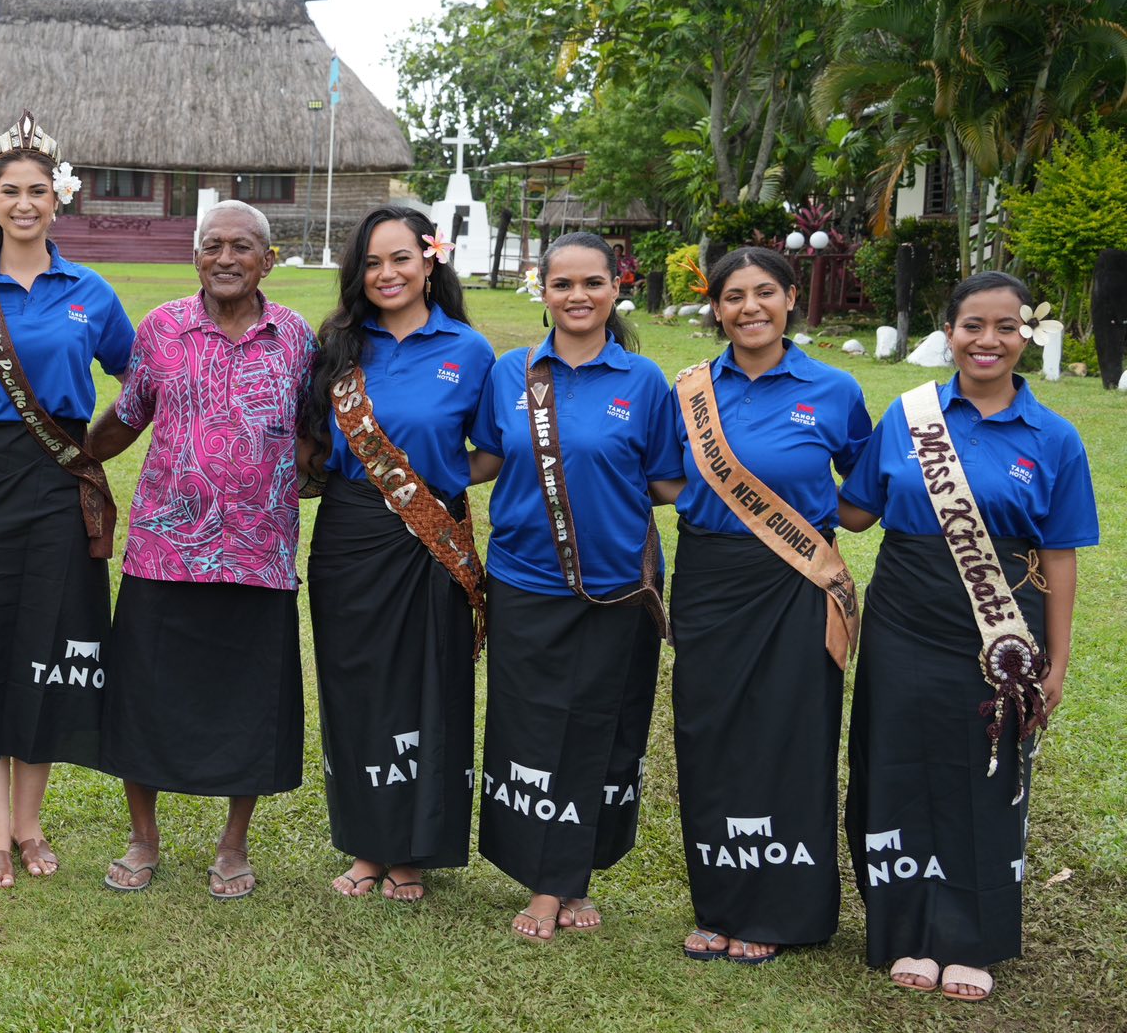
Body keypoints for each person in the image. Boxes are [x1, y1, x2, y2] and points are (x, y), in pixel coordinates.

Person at [838, 272, 1096, 1002]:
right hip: (903, 616)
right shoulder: (906, 414)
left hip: (999, 629)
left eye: (1006, 327)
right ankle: (906, 931)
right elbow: (856, 512)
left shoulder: (1053, 437)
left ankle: (968, 938)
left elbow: (1060, 554)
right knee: (895, 762)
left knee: (987, 774)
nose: (989, 341)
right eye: (972, 326)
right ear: (947, 332)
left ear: (1028, 336)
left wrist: (1058, 656)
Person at [0, 112, 136, 888]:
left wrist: (96, 448)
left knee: (47, 640)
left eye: (37, 190)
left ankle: (33, 823)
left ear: (56, 198)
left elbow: (140, 383)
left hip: (56, 483)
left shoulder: (91, 292)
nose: (24, 203)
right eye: (10, 191)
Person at [83, 201, 313, 899]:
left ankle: (233, 845)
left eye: (242, 246)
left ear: (267, 260)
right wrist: (76, 461)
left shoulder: (298, 339)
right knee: (144, 696)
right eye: (212, 245)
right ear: (195, 257)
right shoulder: (160, 330)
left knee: (250, 702)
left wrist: (287, 482)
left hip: (258, 555)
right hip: (164, 551)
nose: (225, 258)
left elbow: (316, 434)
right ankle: (142, 838)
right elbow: (126, 418)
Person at [467, 231, 684, 940]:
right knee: (527, 725)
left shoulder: (644, 382)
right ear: (544, 292)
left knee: (597, 730)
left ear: (615, 288)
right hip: (525, 579)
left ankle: (566, 880)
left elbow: (663, 482)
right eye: (563, 284)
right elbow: (485, 459)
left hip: (616, 589)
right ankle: (541, 871)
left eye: (593, 282)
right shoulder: (510, 372)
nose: (578, 296)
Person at [668, 247, 873, 964]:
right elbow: (667, 480)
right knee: (708, 735)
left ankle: (782, 911)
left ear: (790, 298)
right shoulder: (690, 390)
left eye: (764, 293)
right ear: (716, 309)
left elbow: (861, 502)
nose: (749, 308)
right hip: (708, 577)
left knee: (791, 735)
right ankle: (719, 905)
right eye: (733, 296)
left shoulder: (835, 388)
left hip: (795, 582)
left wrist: (803, 527)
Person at [300, 206, 493, 903]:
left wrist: (434, 482)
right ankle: (366, 844)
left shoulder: (469, 350)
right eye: (373, 263)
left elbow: (495, 449)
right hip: (351, 534)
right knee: (354, 687)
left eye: (401, 259)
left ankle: (414, 850)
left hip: (430, 541)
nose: (387, 274)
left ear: (430, 260)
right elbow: (311, 445)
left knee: (430, 684)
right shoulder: (340, 345)